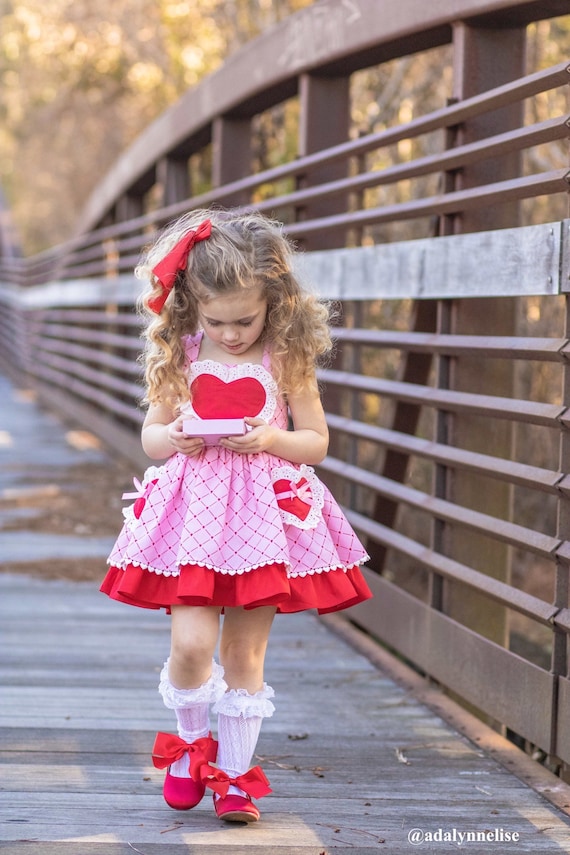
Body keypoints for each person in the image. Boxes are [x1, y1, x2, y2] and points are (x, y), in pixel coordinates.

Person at [100, 208, 372, 823]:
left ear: (274, 303)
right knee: (193, 645)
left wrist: (272, 440)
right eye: (215, 320)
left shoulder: (285, 356)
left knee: (245, 655)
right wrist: (176, 437)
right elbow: (150, 435)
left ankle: (233, 776)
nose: (229, 334)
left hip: (262, 524)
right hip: (195, 516)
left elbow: (317, 442)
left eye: (244, 320)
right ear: (192, 307)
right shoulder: (182, 351)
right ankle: (188, 747)